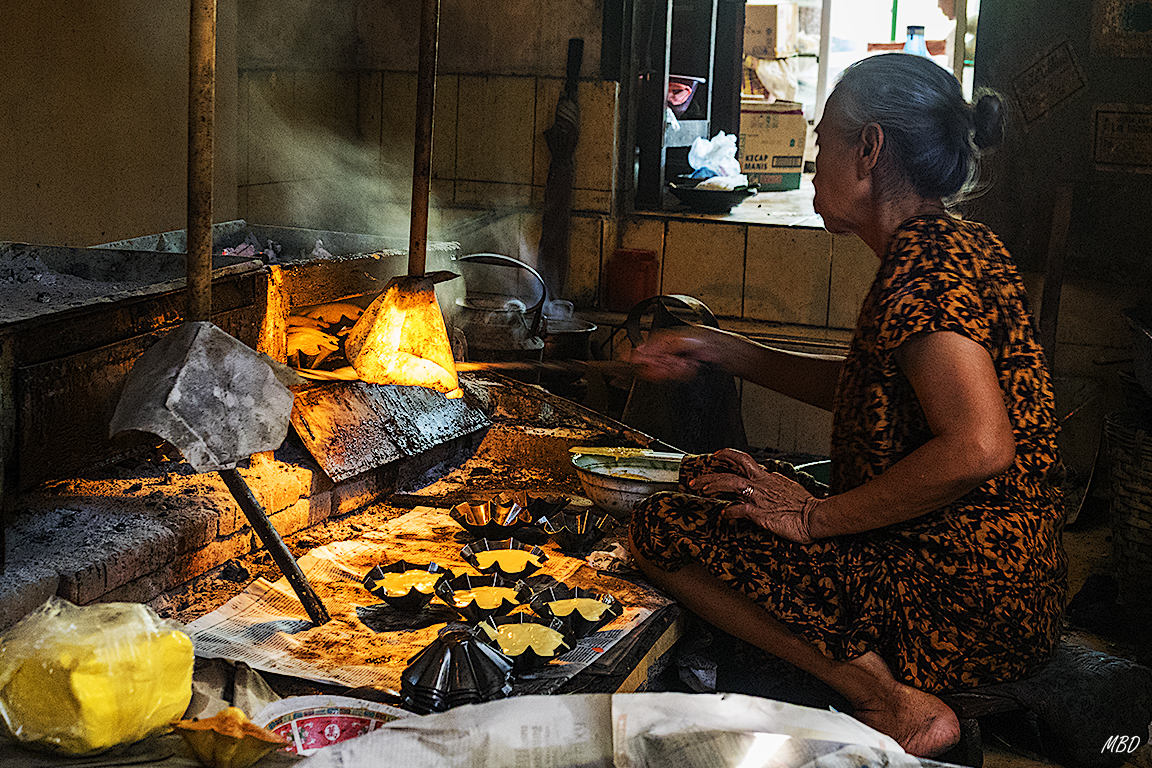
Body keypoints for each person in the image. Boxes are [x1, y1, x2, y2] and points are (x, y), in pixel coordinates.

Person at [628, 53, 1066, 758]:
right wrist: (724, 350)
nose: (811, 163)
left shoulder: (921, 267)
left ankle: (893, 705)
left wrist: (815, 517)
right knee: (719, 476)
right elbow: (871, 391)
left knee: (665, 528)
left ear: (870, 149)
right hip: (1005, 592)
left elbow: (979, 447)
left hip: (956, 603)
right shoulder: (958, 245)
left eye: (824, 139)